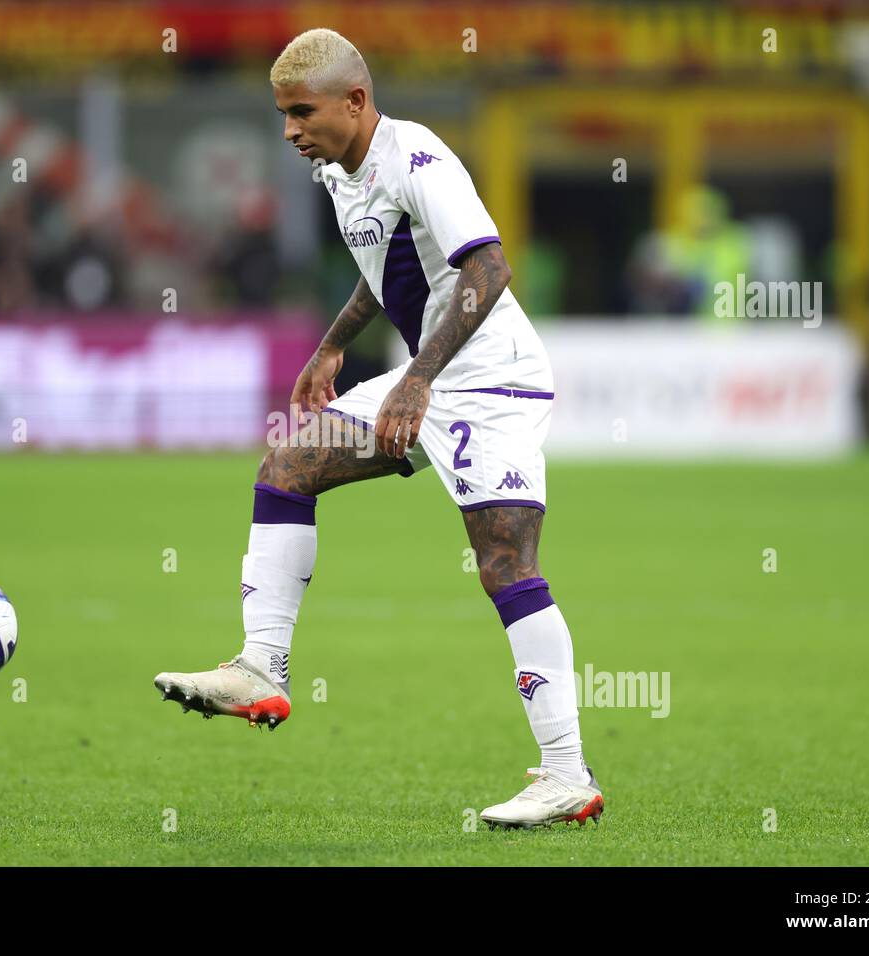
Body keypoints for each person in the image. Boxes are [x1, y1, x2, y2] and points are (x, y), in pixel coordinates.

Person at [154, 28, 602, 829]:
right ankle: (261, 665)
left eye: (301, 113)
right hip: (423, 376)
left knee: (504, 565)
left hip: (490, 382)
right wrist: (334, 347)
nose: (289, 130)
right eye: (283, 114)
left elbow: (488, 267)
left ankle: (567, 775)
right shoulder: (339, 171)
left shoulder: (417, 157)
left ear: (355, 102)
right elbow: (384, 271)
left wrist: (418, 381)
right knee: (288, 466)